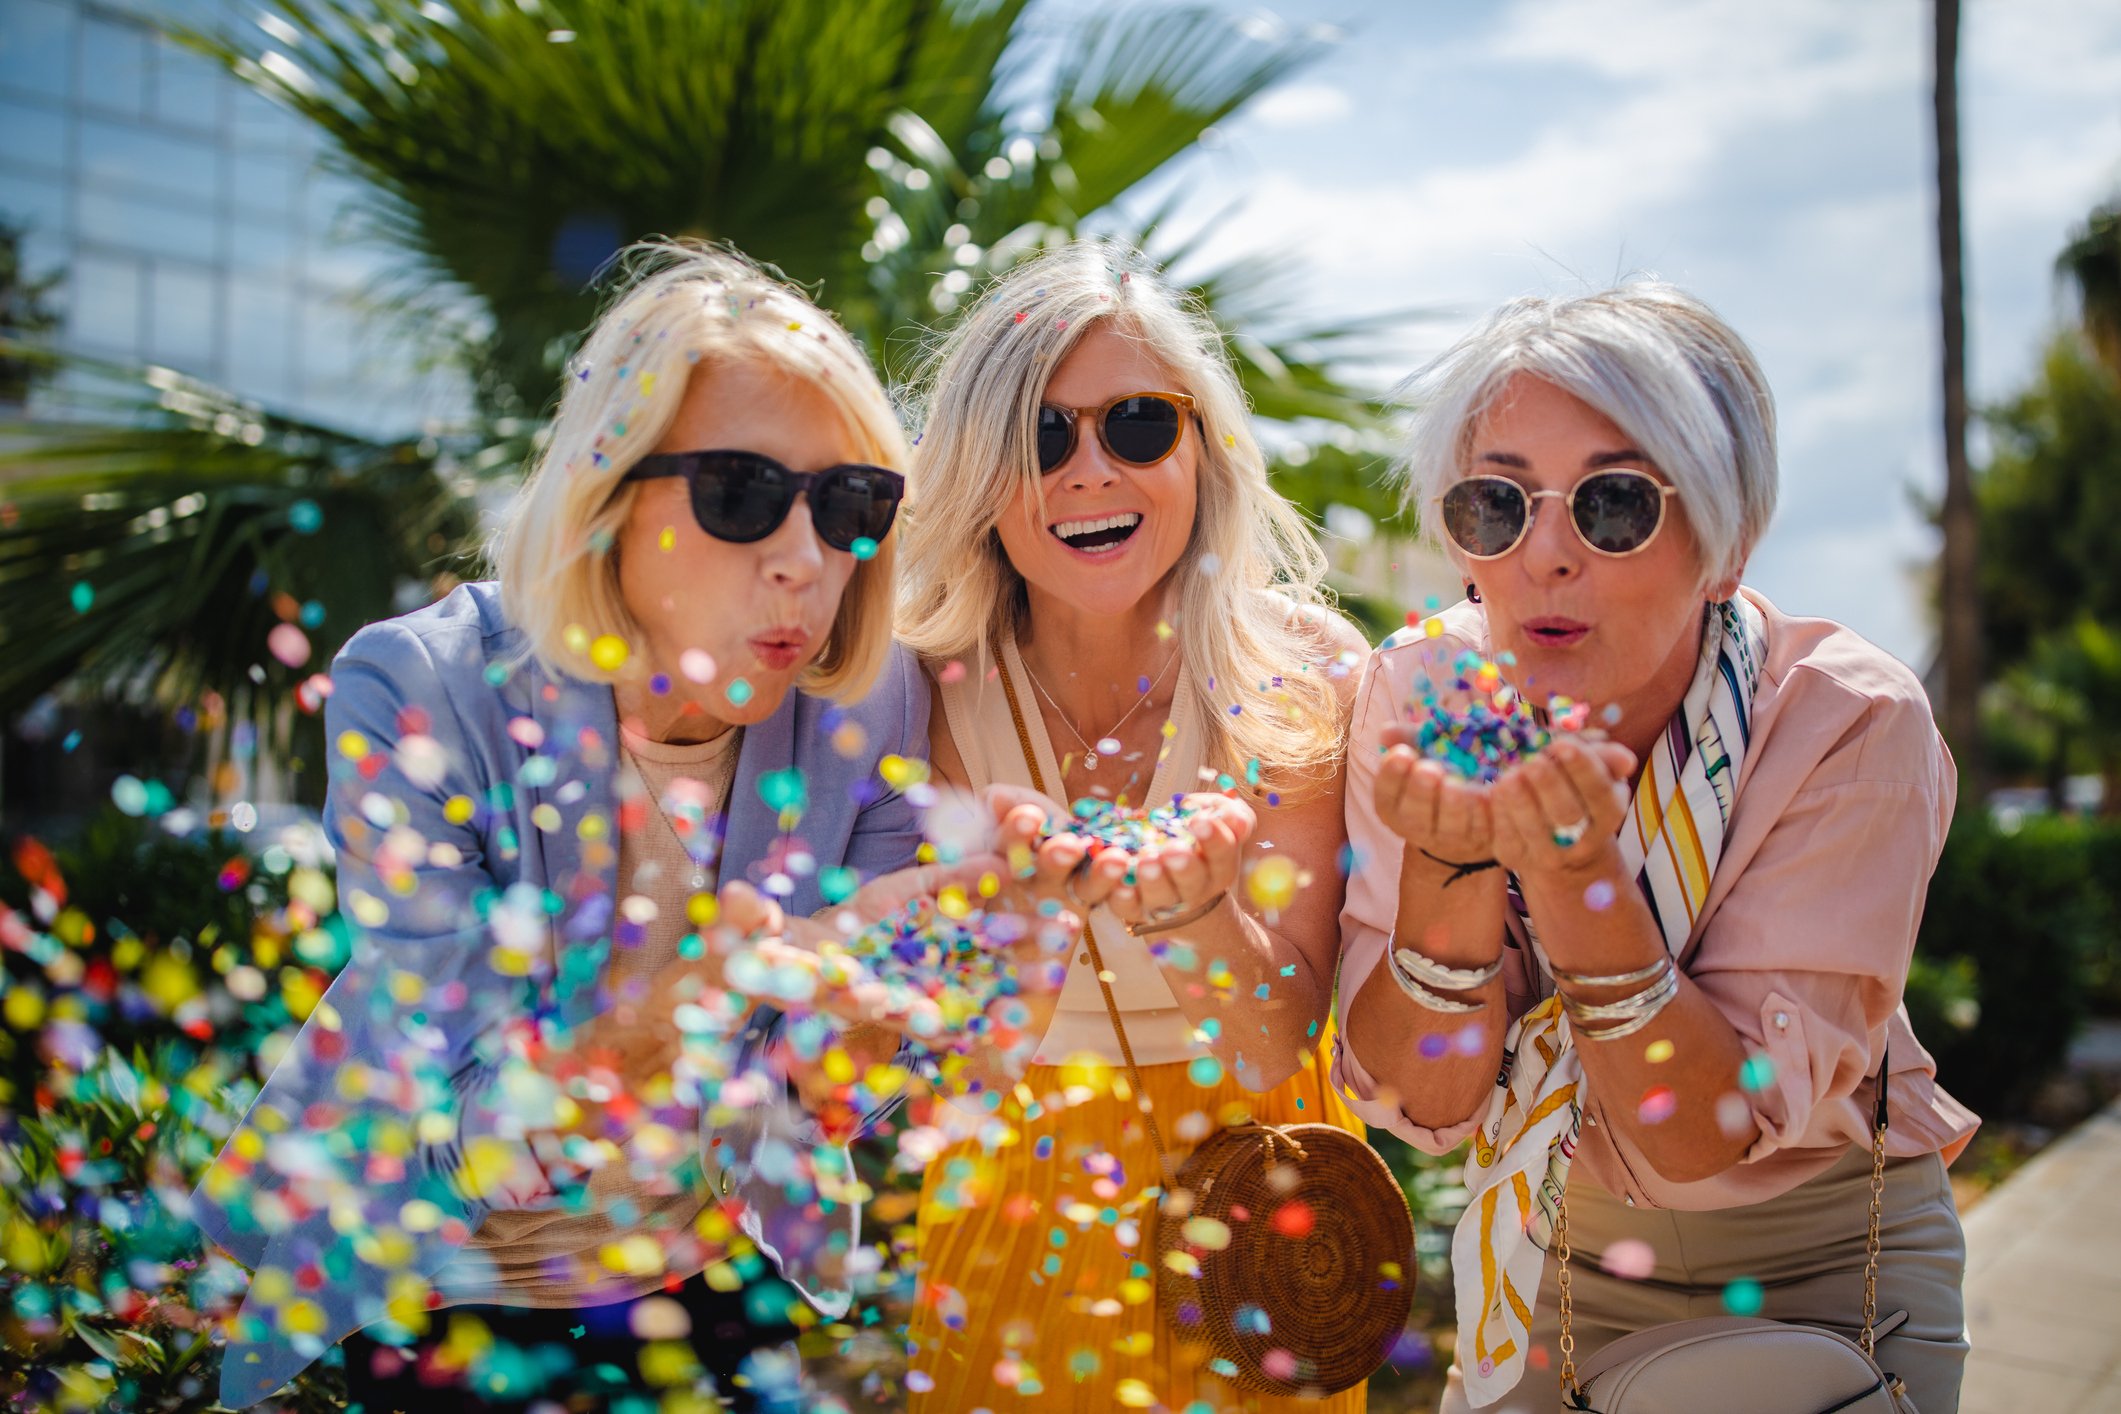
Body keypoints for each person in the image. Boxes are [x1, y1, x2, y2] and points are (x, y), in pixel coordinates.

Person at [190, 241, 972, 1411]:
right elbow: (471, 1128)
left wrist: (886, 984)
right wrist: (708, 993)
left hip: (720, 1266)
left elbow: (804, 1104)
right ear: (605, 499)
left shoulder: (873, 701)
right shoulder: (419, 688)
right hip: (441, 1287)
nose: (807, 561)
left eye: (852, 504)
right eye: (742, 493)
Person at [1333, 283, 1979, 1412]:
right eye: (1495, 504)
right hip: (1548, 1237)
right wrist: (1449, 868)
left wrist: (1572, 872)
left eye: (1615, 503)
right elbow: (1422, 1105)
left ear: (1727, 545)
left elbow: (1701, 1135)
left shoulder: (1848, 722)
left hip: (1824, 1255)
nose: (1545, 554)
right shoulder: (1421, 695)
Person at [893, 241, 1372, 1410]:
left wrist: (1196, 916)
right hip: (1009, 1228)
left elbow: (1274, 1046)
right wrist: (998, 932)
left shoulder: (1304, 670)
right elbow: (922, 1054)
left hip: (1269, 1236)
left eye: (1140, 424)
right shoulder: (914, 688)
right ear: (978, 469)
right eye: (1041, 437)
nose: (1091, 471)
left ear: (1202, 447)